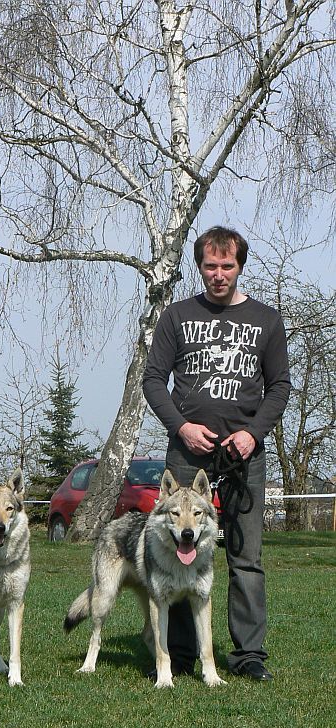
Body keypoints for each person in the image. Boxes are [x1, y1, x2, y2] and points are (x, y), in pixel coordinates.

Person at [142, 226, 290, 681]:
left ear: (240, 265)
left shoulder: (266, 320)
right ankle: (182, 654)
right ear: (199, 266)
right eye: (210, 266)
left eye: (227, 266)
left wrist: (253, 434)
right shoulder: (177, 316)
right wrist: (182, 427)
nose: (219, 274)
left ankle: (248, 656)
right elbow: (152, 380)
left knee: (245, 558)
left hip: (243, 457)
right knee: (176, 555)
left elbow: (280, 386)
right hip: (189, 455)